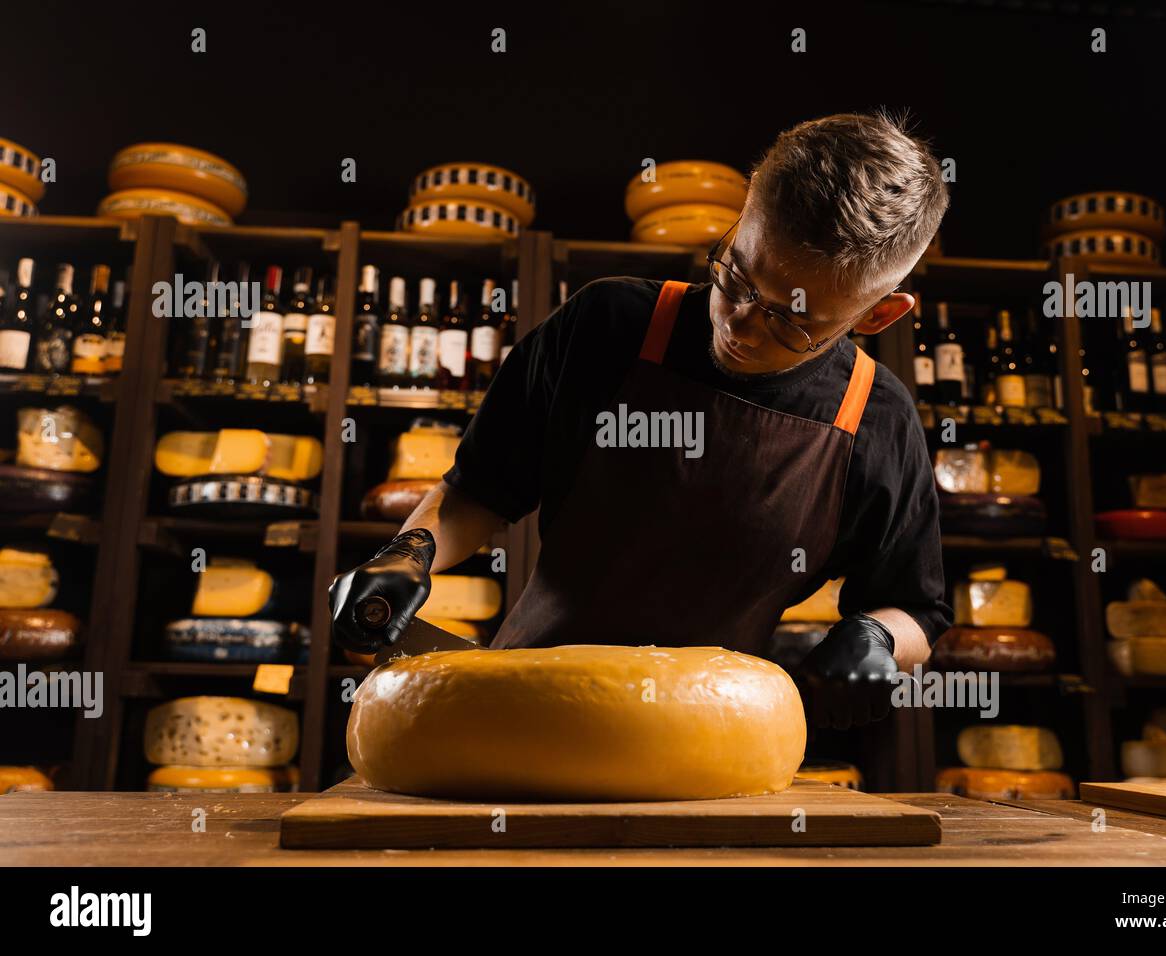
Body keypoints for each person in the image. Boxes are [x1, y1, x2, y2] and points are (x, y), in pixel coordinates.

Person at [331, 110, 953, 730]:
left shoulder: (876, 418)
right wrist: (406, 555)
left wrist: (878, 636)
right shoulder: (607, 325)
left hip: (714, 738)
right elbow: (478, 494)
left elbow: (915, 608)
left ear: (878, 314)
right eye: (735, 274)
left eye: (791, 320)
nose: (738, 322)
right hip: (527, 707)